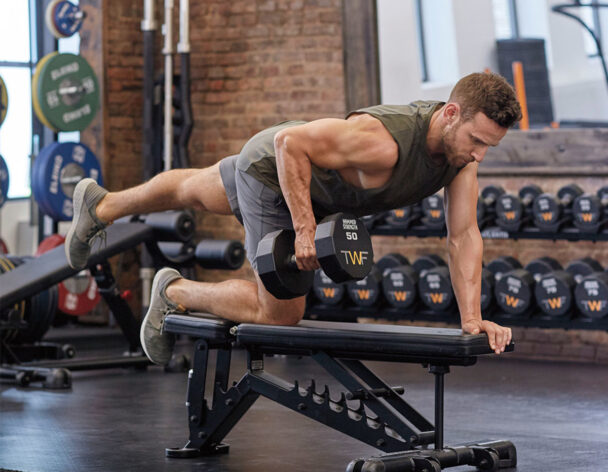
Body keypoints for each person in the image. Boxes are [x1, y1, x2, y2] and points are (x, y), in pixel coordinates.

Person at [65, 71, 521, 365]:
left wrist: (472, 319)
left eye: (488, 147)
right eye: (476, 140)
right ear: (451, 113)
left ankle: (101, 205)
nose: (479, 154)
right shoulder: (384, 140)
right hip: (276, 170)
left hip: (290, 172)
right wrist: (304, 228)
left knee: (191, 191)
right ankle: (175, 291)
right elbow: (290, 144)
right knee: (280, 312)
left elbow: (463, 235)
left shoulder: (461, 161)